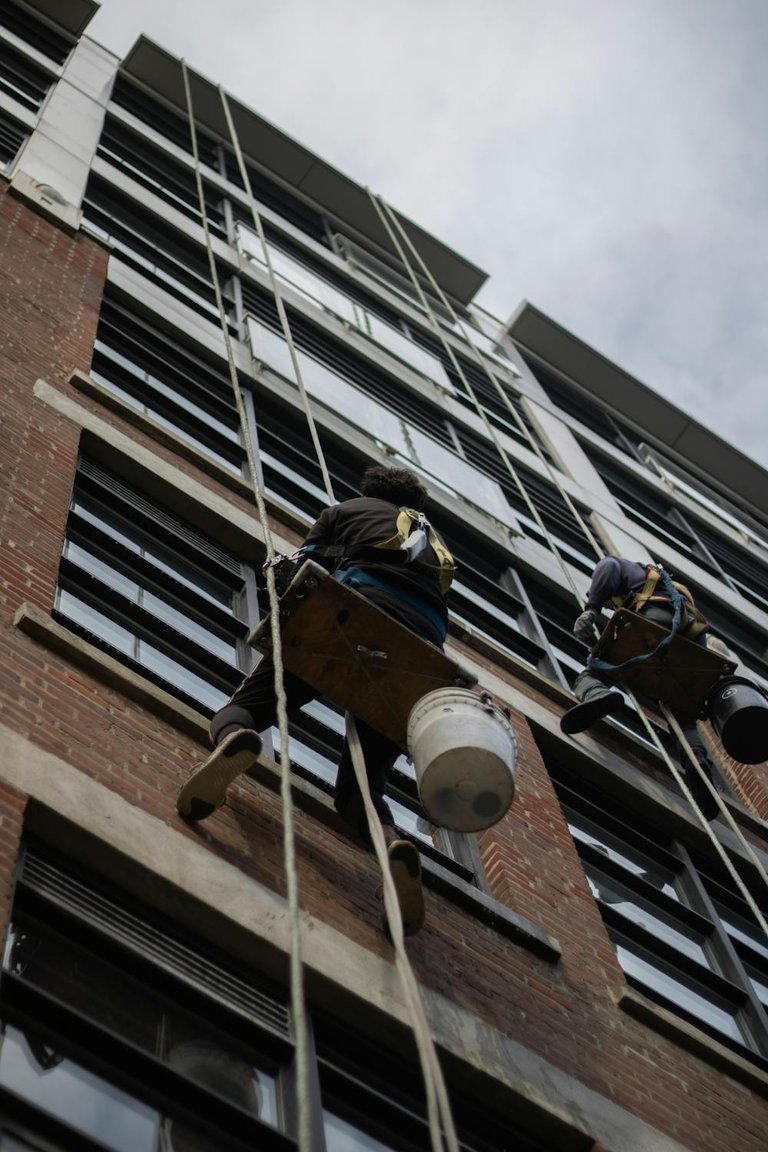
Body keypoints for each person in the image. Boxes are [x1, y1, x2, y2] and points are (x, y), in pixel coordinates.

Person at [177, 465, 455, 934]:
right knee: (359, 793)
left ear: (370, 492)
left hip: (355, 611)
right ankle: (389, 845)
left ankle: (238, 740)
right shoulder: (439, 543)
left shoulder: (345, 510)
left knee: (240, 708)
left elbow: (300, 568)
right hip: (421, 649)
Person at [560, 556, 722, 821]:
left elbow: (607, 568)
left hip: (654, 621)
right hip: (690, 648)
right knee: (683, 715)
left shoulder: (620, 566)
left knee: (590, 675)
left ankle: (600, 696)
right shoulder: (665, 584)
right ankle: (697, 761)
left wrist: (591, 609)